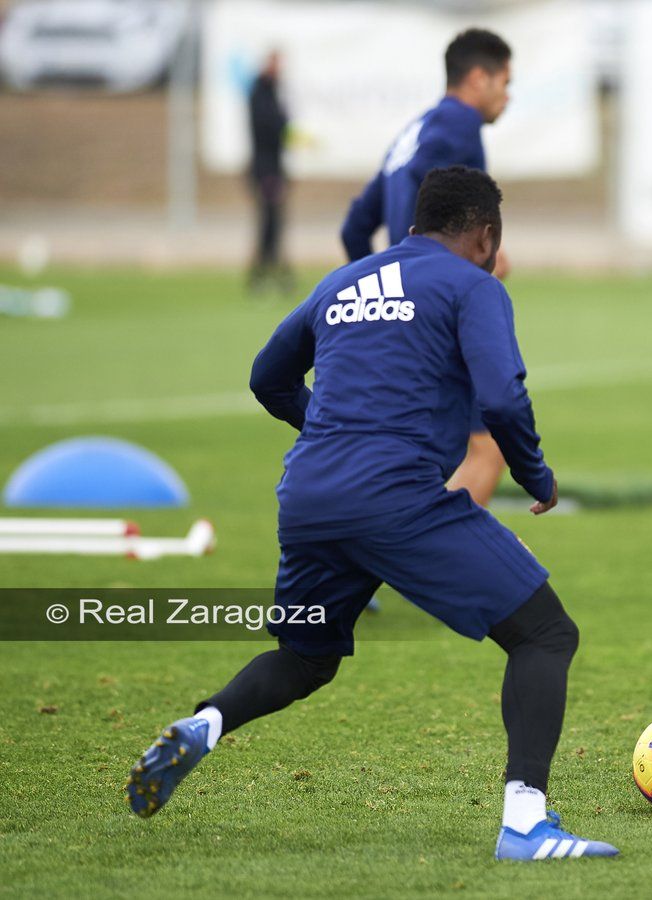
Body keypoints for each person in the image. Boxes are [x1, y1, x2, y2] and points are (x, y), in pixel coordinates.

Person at [125, 167, 618, 861]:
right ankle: (525, 824)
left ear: (415, 224)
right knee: (544, 633)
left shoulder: (344, 281)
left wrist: (327, 432)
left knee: (303, 659)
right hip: (393, 497)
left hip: (309, 496)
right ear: (486, 236)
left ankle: (203, 724)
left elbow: (267, 377)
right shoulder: (474, 285)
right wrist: (537, 475)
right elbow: (502, 398)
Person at [341, 28, 513, 507]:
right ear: (478, 78)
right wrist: (478, 264)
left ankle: (393, 561)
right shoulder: (460, 125)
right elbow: (465, 229)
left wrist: (384, 290)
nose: (508, 96)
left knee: (415, 455)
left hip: (404, 315)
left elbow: (355, 228)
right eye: (505, 82)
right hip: (440, 314)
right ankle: (432, 563)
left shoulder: (411, 133)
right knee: (487, 451)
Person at [248, 50, 292, 293]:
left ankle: (270, 274)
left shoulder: (272, 90)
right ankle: (263, 275)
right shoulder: (260, 92)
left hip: (273, 168)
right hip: (266, 170)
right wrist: (284, 125)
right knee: (269, 221)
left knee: (274, 221)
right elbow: (269, 126)